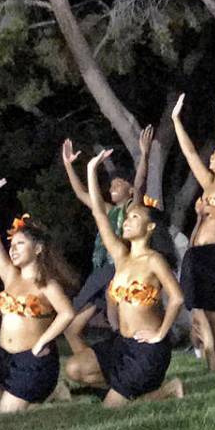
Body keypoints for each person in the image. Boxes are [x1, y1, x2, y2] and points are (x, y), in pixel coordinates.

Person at [61, 150, 184, 407]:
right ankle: (121, 390)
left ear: (150, 228)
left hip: (147, 351)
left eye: (135, 217)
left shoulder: (154, 260)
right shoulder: (120, 256)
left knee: (111, 409)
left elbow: (177, 298)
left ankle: (169, 389)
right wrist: (91, 171)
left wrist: (161, 333)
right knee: (74, 369)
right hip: (122, 344)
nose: (127, 222)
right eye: (127, 218)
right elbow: (98, 214)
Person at [0, 181, 78, 412]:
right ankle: (17, 399)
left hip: (33, 361)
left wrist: (43, 341)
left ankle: (35, 395)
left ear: (38, 249)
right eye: (12, 244)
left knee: (6, 415)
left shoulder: (47, 284)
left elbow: (67, 313)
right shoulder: (10, 276)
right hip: (5, 356)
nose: (12, 249)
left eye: (20, 244)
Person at [60, 128, 151, 354]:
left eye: (118, 184)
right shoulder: (107, 210)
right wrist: (68, 165)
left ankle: (126, 353)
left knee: (73, 312)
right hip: (101, 268)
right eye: (111, 185)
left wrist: (145, 155)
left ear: (129, 190)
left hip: (116, 267)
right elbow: (82, 194)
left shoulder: (132, 207)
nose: (112, 188)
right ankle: (93, 366)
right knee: (73, 329)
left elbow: (139, 185)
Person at [172, 93, 215, 372]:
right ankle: (211, 363)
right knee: (199, 311)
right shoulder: (209, 183)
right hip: (196, 251)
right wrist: (176, 120)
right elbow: (189, 153)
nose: (212, 155)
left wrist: (207, 211)